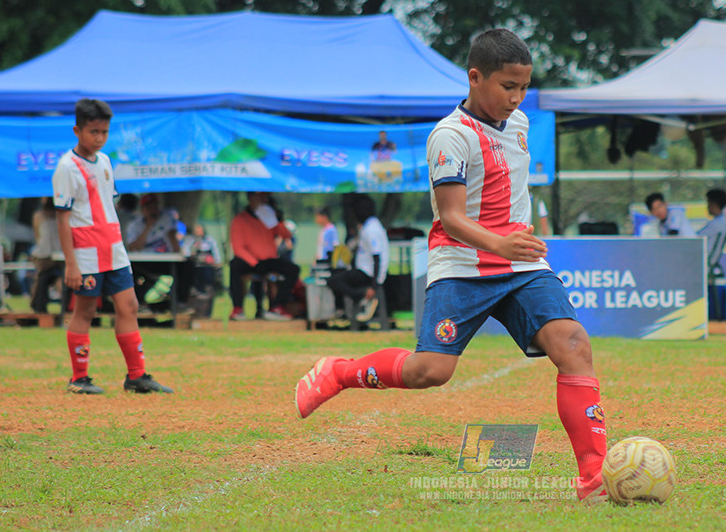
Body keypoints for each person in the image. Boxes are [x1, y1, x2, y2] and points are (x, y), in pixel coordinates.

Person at [293, 29, 608, 502]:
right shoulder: (450, 136)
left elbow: (515, 190)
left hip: (521, 267)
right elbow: (453, 218)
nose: (517, 98)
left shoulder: (520, 123)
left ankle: (593, 478)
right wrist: (502, 244)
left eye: (524, 87)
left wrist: (520, 238)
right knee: (431, 371)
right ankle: (339, 372)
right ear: (475, 77)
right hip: (462, 264)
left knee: (574, 344)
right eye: (508, 86)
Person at [52, 98, 172, 394]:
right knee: (86, 310)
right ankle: (79, 378)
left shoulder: (105, 161)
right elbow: (63, 219)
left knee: (129, 305)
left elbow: (107, 205)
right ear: (77, 130)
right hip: (86, 252)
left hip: (114, 249)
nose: (100, 138)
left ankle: (137, 376)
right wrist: (71, 263)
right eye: (93, 132)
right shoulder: (67, 167)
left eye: (104, 132)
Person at [228, 191, 300, 321]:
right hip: (249, 260)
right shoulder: (240, 220)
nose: (264, 201)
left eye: (265, 198)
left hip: (268, 260)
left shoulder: (269, 218)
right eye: (261, 198)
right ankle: (238, 308)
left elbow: (286, 235)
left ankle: (277, 306)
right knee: (235, 265)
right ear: (251, 199)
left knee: (293, 269)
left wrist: (278, 220)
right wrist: (255, 263)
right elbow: (238, 248)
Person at [328, 194, 389, 323]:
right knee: (338, 274)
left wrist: (373, 286)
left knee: (333, 281)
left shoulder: (371, 230)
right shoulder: (370, 226)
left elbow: (377, 258)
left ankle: (362, 297)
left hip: (367, 273)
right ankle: (355, 303)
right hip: (366, 271)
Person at [29, 197, 63, 313]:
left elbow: (37, 236)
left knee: (41, 277)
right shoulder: (63, 214)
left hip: (44, 255)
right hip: (60, 254)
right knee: (56, 277)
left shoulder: (38, 215)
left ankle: (37, 302)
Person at [182, 223, 223, 297]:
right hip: (195, 263)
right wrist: (191, 254)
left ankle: (208, 290)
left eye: (200, 230)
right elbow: (186, 250)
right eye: (197, 231)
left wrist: (217, 261)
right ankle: (197, 290)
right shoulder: (191, 240)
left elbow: (215, 251)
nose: (198, 232)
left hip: (207, 263)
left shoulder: (209, 239)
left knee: (208, 273)